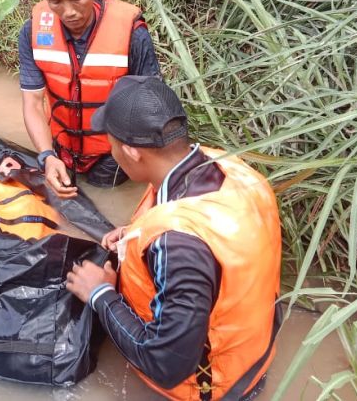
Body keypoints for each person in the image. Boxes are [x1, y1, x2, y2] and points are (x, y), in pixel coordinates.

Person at [66, 76, 282, 401]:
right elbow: (220, 239)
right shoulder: (228, 169)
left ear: (131, 152)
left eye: (110, 143)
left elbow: (165, 363)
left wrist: (100, 294)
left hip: (212, 388)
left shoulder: (178, 244)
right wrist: (135, 233)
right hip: (254, 356)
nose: (111, 152)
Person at [18, 0, 160, 196]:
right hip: (60, 145)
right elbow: (32, 102)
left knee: (106, 195)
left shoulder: (132, 33)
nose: (69, 11)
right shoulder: (32, 32)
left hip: (112, 153)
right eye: (56, 2)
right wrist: (47, 156)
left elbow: (149, 104)